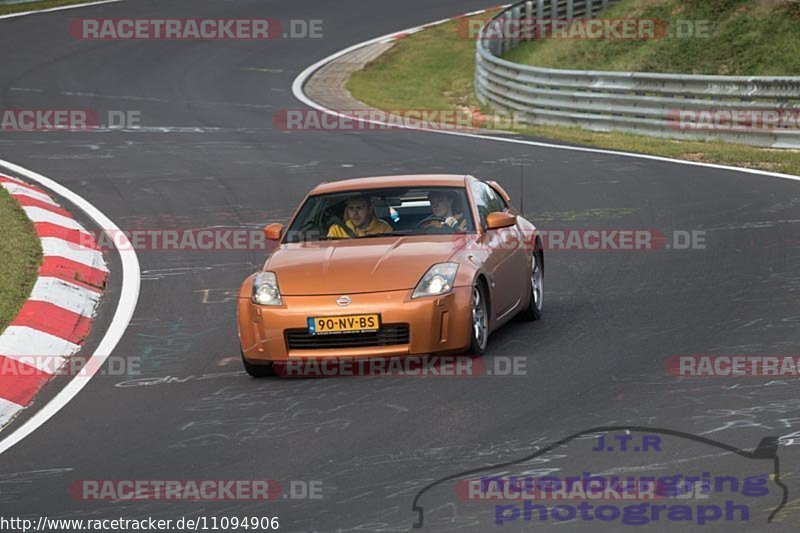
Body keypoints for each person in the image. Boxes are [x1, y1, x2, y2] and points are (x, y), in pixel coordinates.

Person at [327, 194, 393, 238]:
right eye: (351, 208)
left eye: (359, 208)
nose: (355, 213)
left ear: (369, 209)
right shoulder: (336, 231)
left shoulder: (385, 230)